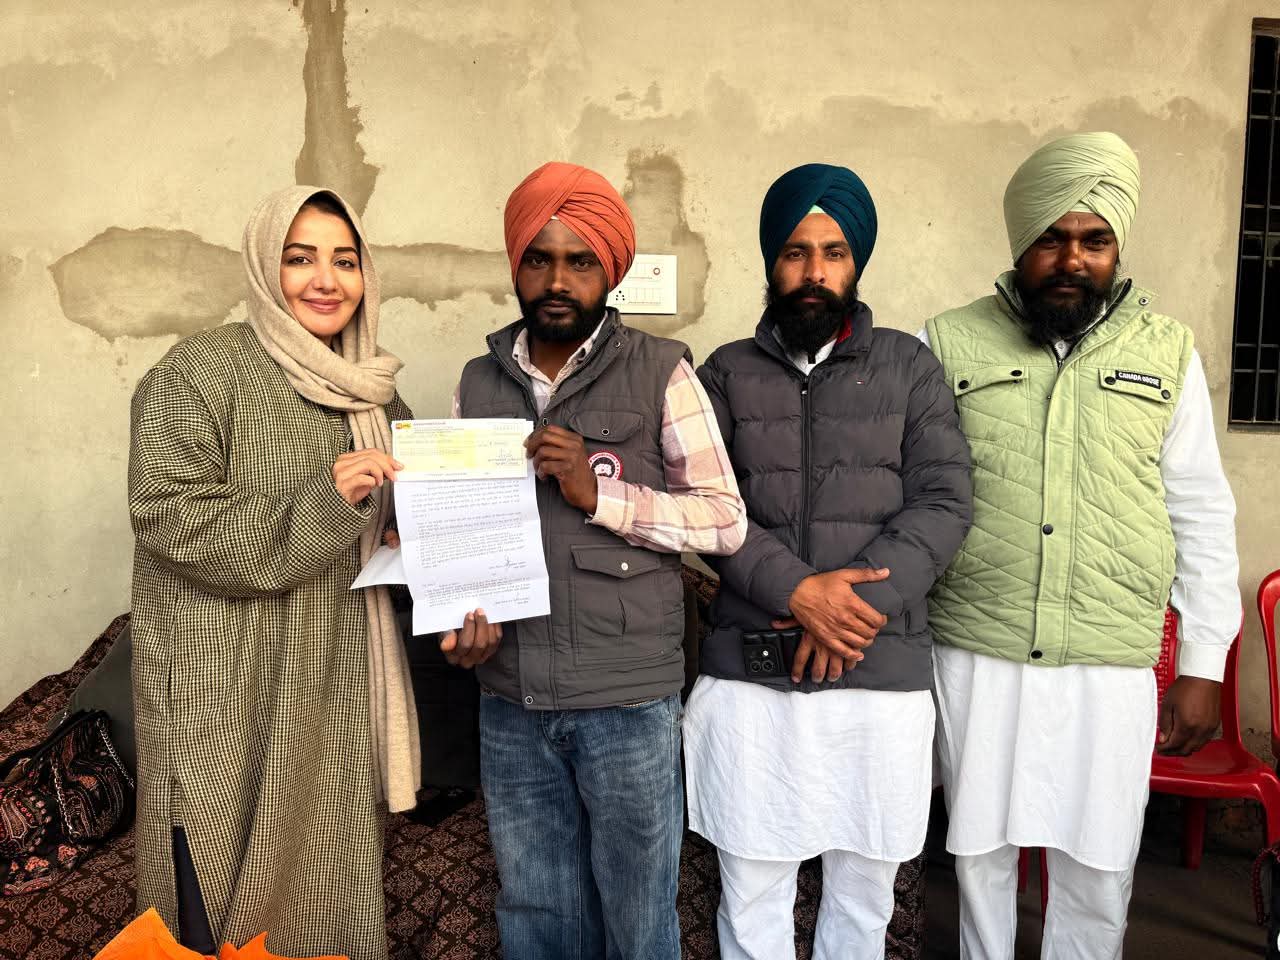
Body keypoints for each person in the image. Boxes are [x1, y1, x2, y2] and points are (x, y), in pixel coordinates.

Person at [924, 131, 1242, 959]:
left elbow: (1201, 510)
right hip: (979, 643)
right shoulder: (948, 342)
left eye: (1093, 240)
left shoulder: (1168, 352)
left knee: (1100, 861)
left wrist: (1204, 664)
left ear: (1117, 247)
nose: (1071, 259)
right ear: (1019, 244)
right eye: (1052, 239)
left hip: (1109, 654)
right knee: (979, 854)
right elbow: (918, 497)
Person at [450, 161, 747, 959]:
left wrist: (599, 493)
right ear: (516, 265)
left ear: (609, 271)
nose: (557, 280)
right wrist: (460, 618)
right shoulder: (478, 382)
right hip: (511, 699)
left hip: (628, 704)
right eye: (539, 259)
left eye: (579, 261)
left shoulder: (661, 371)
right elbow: (463, 528)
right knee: (536, 915)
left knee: (638, 922)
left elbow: (724, 521)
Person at [682, 163, 972, 959]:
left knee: (864, 895)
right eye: (796, 252)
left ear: (857, 263)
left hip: (877, 674)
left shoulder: (908, 368)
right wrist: (798, 590)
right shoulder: (724, 374)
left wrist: (849, 611)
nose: (814, 272)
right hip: (753, 677)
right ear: (771, 262)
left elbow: (945, 501)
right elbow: (704, 503)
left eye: (834, 253)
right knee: (752, 890)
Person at [129, 186, 419, 960]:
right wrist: (326, 502)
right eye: (300, 258)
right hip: (226, 695)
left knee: (324, 897)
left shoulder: (378, 397)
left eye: (345, 261)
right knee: (212, 905)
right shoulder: (197, 372)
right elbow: (167, 516)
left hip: (335, 683)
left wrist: (416, 541)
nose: (326, 280)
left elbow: (403, 533)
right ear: (264, 267)